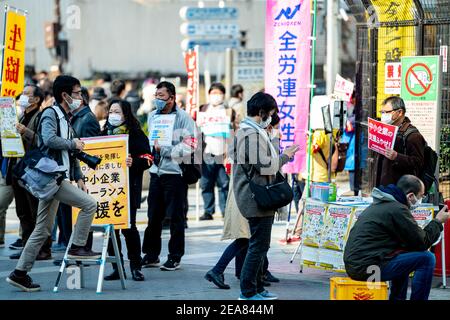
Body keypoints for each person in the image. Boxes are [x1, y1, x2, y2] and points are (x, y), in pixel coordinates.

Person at [6, 75, 100, 292]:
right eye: (77, 93)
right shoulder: (51, 113)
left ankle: (19, 273)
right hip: (53, 179)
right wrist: (72, 143)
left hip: (56, 180)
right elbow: (48, 139)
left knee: (43, 229)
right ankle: (77, 247)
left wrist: (79, 177)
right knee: (89, 205)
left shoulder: (66, 117)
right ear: (65, 95)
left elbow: (72, 153)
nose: (80, 96)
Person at [232, 92, 299, 300]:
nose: (271, 118)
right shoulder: (249, 134)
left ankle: (258, 287)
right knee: (257, 246)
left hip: (259, 196)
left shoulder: (254, 132)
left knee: (261, 245)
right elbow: (266, 166)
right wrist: (286, 155)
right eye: (270, 114)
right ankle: (248, 291)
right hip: (255, 197)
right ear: (262, 113)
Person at [344, 175, 449, 300]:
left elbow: (411, 242)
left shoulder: (383, 204)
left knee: (404, 256)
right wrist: (438, 221)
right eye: (421, 196)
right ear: (410, 196)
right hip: (368, 269)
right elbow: (422, 242)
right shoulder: (397, 209)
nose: (421, 199)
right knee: (427, 259)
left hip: (357, 266)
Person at [141, 81, 196, 271]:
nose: (158, 100)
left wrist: (166, 150)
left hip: (175, 173)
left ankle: (174, 256)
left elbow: (191, 144)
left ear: (172, 98)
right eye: (156, 96)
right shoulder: (152, 116)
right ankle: (151, 254)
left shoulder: (183, 118)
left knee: (175, 218)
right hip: (156, 172)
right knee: (153, 216)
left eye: (162, 96)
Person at [99, 99, 151, 281]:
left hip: (128, 189)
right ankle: (117, 267)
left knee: (129, 228)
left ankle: (136, 267)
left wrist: (134, 162)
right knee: (111, 231)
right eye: (111, 111)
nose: (113, 115)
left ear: (126, 114)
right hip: (107, 189)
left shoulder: (135, 133)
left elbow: (148, 157)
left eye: (117, 112)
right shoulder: (104, 132)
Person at [9, 85, 54, 260]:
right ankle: (28, 248)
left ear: (36, 99)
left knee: (37, 212)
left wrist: (25, 131)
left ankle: (44, 248)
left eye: (27, 94)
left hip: (33, 172)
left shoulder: (41, 116)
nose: (23, 97)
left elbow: (43, 141)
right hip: (18, 169)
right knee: (23, 212)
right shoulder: (21, 115)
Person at [198, 83, 233, 221]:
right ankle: (208, 210)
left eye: (218, 93)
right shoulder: (203, 109)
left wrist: (229, 152)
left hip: (223, 152)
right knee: (206, 183)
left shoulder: (228, 111)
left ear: (223, 95)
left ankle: (225, 210)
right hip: (207, 151)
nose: (216, 96)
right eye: (213, 93)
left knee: (224, 183)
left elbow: (232, 131)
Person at [376, 96, 426, 187]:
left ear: (399, 112)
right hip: (384, 186)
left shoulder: (413, 136)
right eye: (381, 112)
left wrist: (397, 156)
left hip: (401, 190)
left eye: (386, 112)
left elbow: (418, 163)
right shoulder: (386, 131)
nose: (383, 115)